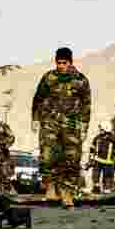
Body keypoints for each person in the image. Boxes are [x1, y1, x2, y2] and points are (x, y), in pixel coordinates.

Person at [31, 46, 92, 209]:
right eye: (58, 62)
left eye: (64, 63)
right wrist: (35, 119)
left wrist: (85, 124)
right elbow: (38, 98)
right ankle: (51, 188)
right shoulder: (49, 78)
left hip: (72, 125)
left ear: (70, 62)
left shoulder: (80, 80)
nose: (61, 66)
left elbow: (86, 103)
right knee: (48, 156)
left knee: (71, 158)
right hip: (50, 124)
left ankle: (67, 193)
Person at [88, 123, 115, 193]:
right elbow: (92, 148)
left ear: (106, 129)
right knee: (95, 175)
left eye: (102, 129)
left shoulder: (113, 139)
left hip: (108, 162)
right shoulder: (97, 138)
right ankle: (96, 187)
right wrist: (91, 158)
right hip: (97, 160)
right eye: (100, 129)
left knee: (108, 176)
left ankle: (107, 188)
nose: (100, 130)